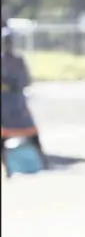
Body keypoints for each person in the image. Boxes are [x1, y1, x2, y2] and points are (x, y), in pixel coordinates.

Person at [1, 27, 47, 170]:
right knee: (4, 133)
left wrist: (18, 84)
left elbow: (27, 79)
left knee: (31, 130)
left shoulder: (18, 59)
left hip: (17, 101)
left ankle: (42, 159)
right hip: (5, 102)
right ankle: (5, 163)